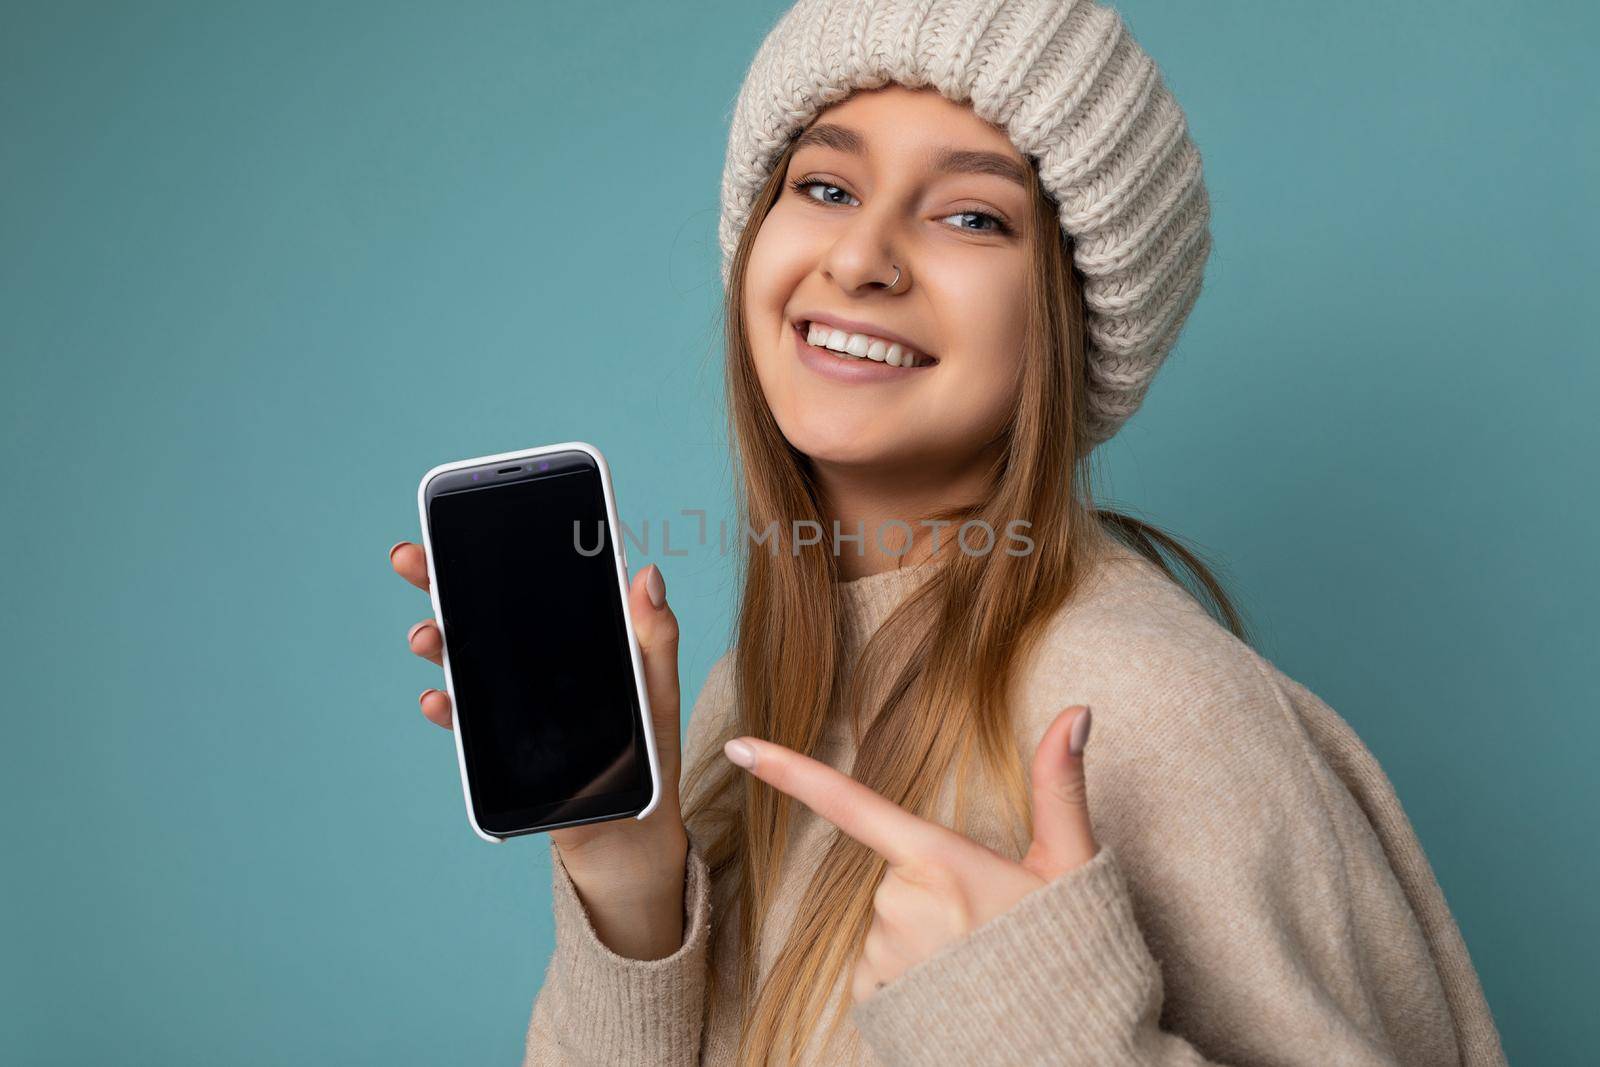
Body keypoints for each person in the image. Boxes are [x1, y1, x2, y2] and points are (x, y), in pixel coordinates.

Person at [389, 1, 1507, 1063]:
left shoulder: (1153, 714)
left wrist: (1039, 1023)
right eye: (823, 184)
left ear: (1070, 320)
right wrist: (631, 884)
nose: (862, 256)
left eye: (972, 214)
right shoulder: (739, 707)